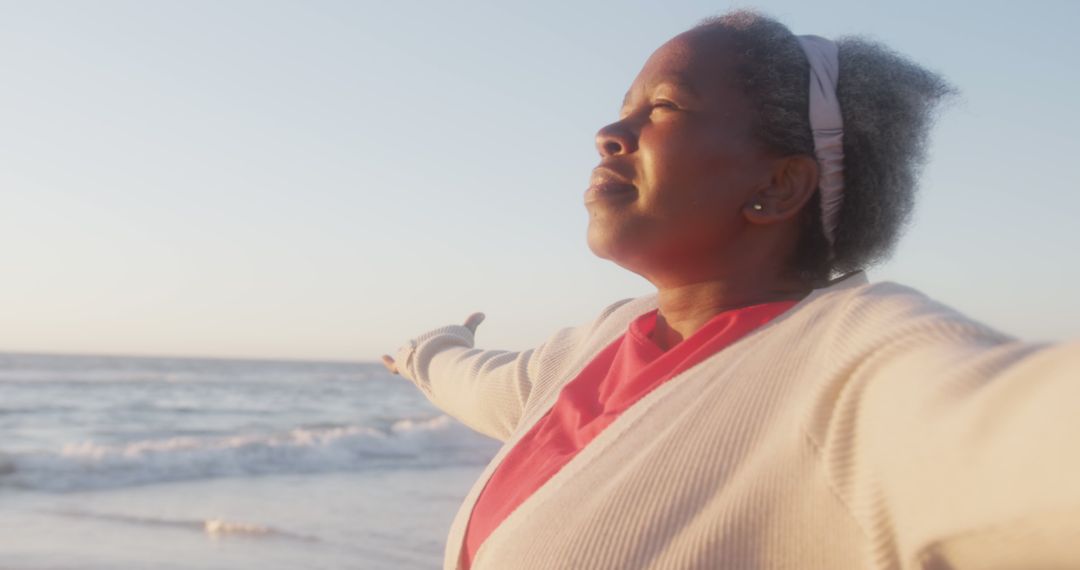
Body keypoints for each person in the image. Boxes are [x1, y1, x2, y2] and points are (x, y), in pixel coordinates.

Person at [381, 9, 1080, 570]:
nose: (608, 133)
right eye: (623, 107)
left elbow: (1020, 435)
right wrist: (429, 348)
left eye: (664, 106)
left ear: (777, 186)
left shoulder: (852, 366)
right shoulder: (596, 345)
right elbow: (481, 381)